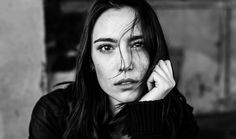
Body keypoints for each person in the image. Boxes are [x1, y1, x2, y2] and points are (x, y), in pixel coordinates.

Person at [28, 0, 198, 139]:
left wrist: (148, 114)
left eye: (137, 44)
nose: (125, 64)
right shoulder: (52, 115)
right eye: (106, 47)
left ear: (154, 52)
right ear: (90, 61)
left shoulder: (178, 119)